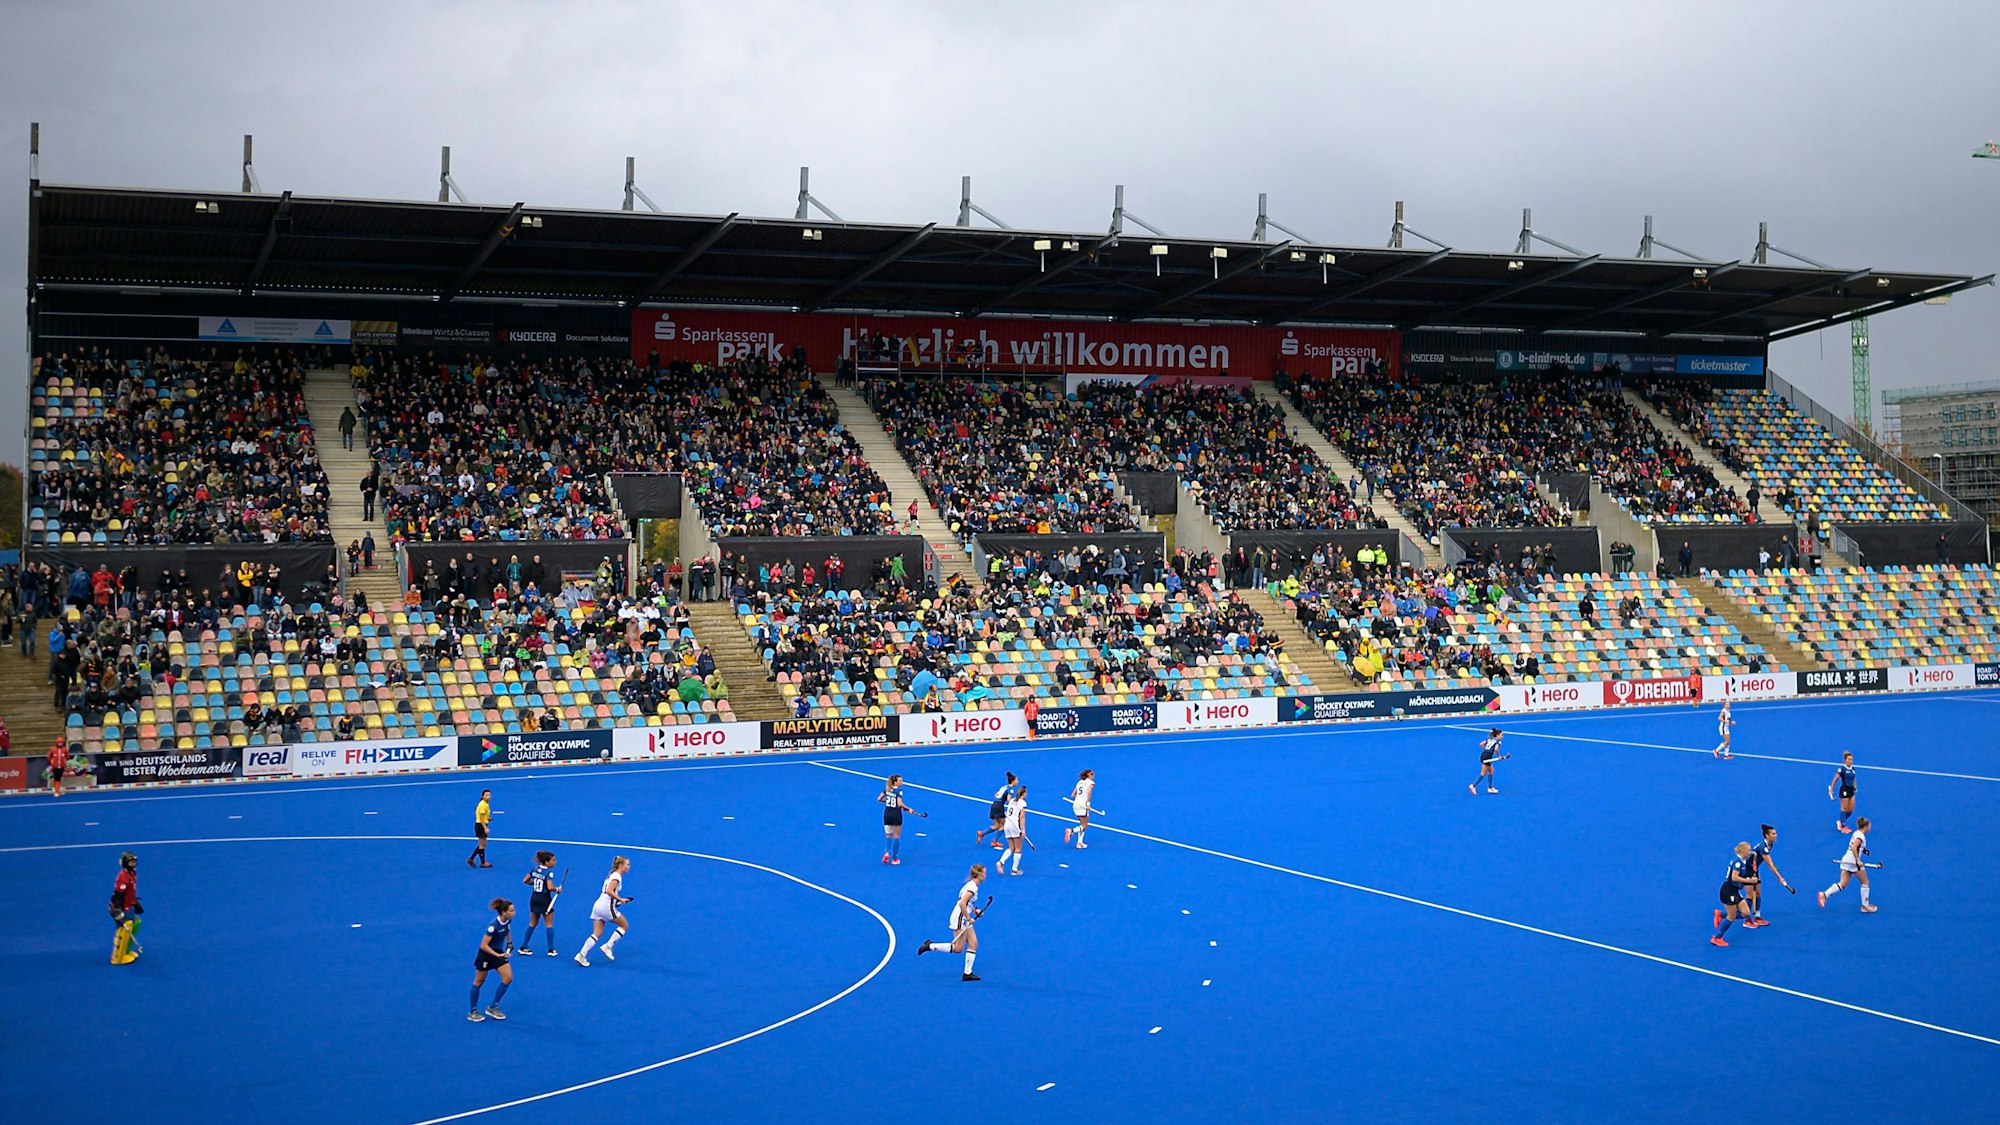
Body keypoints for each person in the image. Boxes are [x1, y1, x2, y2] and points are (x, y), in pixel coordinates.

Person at [914, 864, 987, 981]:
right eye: (984, 873)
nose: (985, 875)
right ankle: (930, 946)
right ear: (979, 874)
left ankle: (967, 973)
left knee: (973, 943)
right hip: (960, 918)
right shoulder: (972, 888)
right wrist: (969, 918)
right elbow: (962, 903)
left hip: (963, 916)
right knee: (958, 948)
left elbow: (967, 903)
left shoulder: (971, 885)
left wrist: (975, 910)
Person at [575, 856, 631, 966]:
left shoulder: (611, 874)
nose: (629, 867)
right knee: (624, 925)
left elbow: (609, 892)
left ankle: (581, 955)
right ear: (621, 865)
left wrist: (618, 901)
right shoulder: (617, 877)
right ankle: (608, 946)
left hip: (598, 905)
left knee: (597, 933)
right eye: (627, 865)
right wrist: (620, 900)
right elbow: (609, 891)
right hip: (606, 907)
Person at [468, 898, 514, 1021]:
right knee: (479, 981)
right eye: (511, 911)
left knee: (508, 978)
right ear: (503, 912)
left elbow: (507, 930)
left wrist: (509, 942)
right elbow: (483, 945)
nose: (514, 913)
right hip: (486, 955)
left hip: (498, 953)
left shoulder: (508, 920)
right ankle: (472, 1011)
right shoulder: (493, 926)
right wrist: (497, 955)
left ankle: (493, 1007)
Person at [1819, 817, 1877, 913]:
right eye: (1869, 826)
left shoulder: (1857, 833)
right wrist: (1858, 860)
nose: (1870, 828)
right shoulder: (1861, 837)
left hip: (1847, 859)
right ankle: (1865, 906)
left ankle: (1824, 895)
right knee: (1865, 882)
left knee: (1842, 884)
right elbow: (1854, 847)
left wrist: (1863, 851)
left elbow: (1856, 847)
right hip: (1853, 862)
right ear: (1865, 826)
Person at [1711, 842, 1759, 947]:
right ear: (1742, 851)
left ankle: (1720, 915)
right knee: (1731, 916)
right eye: (1748, 850)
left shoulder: (1742, 861)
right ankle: (1717, 938)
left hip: (1735, 891)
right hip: (1728, 891)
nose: (1750, 852)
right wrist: (1750, 881)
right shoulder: (1737, 862)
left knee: (1746, 913)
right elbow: (1734, 878)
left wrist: (1749, 878)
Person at [1744, 824, 1792, 927]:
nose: (1776, 835)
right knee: (1750, 895)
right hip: (1747, 871)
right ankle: (1746, 920)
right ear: (1767, 836)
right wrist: (1780, 877)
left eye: (1776, 833)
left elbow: (1770, 862)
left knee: (1757, 894)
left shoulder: (1770, 844)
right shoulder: (1763, 847)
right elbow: (1770, 864)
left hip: (1754, 870)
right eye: (1773, 834)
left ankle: (1757, 917)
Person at [517, 851, 563, 956]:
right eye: (553, 860)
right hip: (544, 899)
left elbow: (525, 880)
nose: (555, 862)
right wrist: (557, 889)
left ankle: (523, 947)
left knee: (532, 923)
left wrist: (536, 884)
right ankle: (551, 950)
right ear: (546, 862)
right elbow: (550, 887)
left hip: (534, 898)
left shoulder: (535, 869)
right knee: (549, 924)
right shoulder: (549, 872)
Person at [108, 851, 142, 965]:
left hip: (129, 905)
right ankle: (118, 957)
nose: (133, 864)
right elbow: (118, 894)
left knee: (133, 926)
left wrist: (134, 901)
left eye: (134, 862)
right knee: (123, 930)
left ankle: (126, 951)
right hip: (124, 908)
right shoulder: (123, 876)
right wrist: (117, 909)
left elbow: (130, 891)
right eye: (131, 862)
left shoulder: (132, 873)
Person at [879, 774, 920, 865]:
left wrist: (888, 801)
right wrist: (908, 809)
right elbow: (900, 804)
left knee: (888, 836)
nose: (902, 782)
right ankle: (894, 859)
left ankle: (887, 852)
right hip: (896, 814)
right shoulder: (899, 791)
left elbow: (879, 799)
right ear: (895, 782)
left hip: (887, 814)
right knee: (896, 837)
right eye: (900, 781)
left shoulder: (887, 789)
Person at [976, 773, 1017, 849]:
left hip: (994, 805)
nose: (1017, 781)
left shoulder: (1004, 787)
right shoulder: (1011, 789)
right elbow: (1009, 800)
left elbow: (996, 795)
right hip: (999, 806)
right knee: (1004, 825)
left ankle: (982, 833)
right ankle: (994, 841)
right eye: (1016, 780)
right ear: (1013, 781)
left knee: (997, 825)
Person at [999, 784, 1028, 875]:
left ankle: (1001, 862)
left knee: (1011, 847)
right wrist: (1023, 830)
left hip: (1007, 825)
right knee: (1018, 848)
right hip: (1015, 826)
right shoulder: (1022, 803)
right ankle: (1014, 870)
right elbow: (1022, 817)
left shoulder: (1012, 800)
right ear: (1024, 793)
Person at [1064, 769, 1097, 848]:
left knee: (1082, 824)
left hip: (1076, 804)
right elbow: (1089, 793)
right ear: (1088, 775)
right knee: (1085, 825)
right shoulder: (1091, 783)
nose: (1093, 775)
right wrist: (1088, 804)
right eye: (1092, 774)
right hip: (1083, 805)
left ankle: (1079, 843)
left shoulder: (1079, 782)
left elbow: (1073, 795)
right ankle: (1071, 831)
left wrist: (1079, 799)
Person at [1828, 751, 1858, 833]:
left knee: (1851, 810)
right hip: (1844, 790)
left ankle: (1841, 822)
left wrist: (1855, 787)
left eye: (1851, 760)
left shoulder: (1853, 769)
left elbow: (1854, 779)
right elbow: (1835, 779)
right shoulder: (1842, 769)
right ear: (1845, 760)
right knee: (1844, 808)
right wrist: (1831, 789)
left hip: (1851, 790)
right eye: (1849, 759)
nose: (1850, 761)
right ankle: (1843, 827)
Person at [1469, 728, 1504, 795]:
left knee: (1492, 771)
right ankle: (1473, 785)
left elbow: (1481, 744)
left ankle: (1490, 788)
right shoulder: (1498, 741)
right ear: (1497, 735)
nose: (1502, 736)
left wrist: (1486, 750)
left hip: (1483, 755)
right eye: (1501, 735)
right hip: (1487, 757)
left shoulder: (1489, 739)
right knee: (1483, 773)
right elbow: (1496, 749)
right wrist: (1498, 756)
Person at [467, 789, 493, 868]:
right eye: (486, 795)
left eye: (489, 795)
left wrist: (487, 818)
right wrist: (485, 828)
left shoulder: (485, 804)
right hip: (480, 826)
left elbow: (478, 814)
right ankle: (482, 862)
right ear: (482, 796)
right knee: (482, 845)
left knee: (483, 844)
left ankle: (472, 859)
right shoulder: (483, 805)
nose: (488, 797)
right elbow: (481, 817)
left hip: (481, 824)